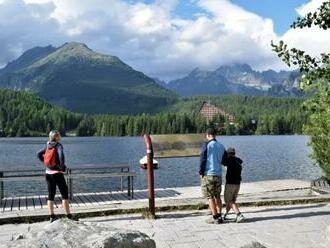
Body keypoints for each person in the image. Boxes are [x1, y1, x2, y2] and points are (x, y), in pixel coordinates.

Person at [37, 130, 76, 222]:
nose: (60, 137)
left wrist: (46, 164)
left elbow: (38, 154)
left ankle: (51, 216)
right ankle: (68, 216)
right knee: (64, 194)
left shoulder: (47, 145)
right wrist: (61, 167)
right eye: (59, 135)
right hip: (57, 173)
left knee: (51, 195)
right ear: (57, 137)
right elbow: (61, 156)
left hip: (48, 173)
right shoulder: (58, 145)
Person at [199, 127, 227, 224]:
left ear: (208, 135)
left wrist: (201, 172)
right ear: (215, 135)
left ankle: (215, 217)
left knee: (210, 196)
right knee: (217, 196)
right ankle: (219, 215)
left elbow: (202, 159)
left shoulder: (207, 145)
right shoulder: (221, 146)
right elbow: (224, 161)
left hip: (208, 174)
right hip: (218, 174)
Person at [223, 147, 245, 223]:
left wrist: (224, 155)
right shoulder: (238, 161)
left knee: (229, 201)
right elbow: (240, 160)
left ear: (228, 154)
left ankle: (239, 215)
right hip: (237, 184)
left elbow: (222, 161)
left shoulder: (229, 160)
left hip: (230, 184)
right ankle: (224, 215)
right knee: (232, 201)